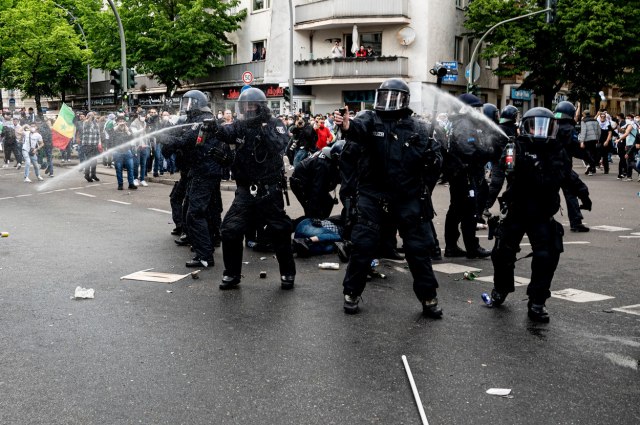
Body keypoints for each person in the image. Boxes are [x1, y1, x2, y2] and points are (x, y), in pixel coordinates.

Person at [333, 78, 444, 317]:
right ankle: (351, 292)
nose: (388, 102)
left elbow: (434, 161)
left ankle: (428, 297)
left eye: (394, 97)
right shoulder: (369, 119)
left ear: (405, 100)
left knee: (417, 248)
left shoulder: (417, 127)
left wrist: (431, 159)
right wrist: (346, 126)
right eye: (384, 96)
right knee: (363, 244)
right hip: (373, 194)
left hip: (407, 196)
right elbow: (356, 130)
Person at [485, 107, 592, 323]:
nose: (540, 131)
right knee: (502, 253)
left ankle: (537, 301)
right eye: (535, 126)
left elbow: (568, 175)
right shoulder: (516, 147)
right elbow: (504, 168)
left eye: (546, 126)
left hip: (543, 214)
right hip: (517, 210)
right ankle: (501, 288)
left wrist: (584, 194)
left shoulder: (557, 150)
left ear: (553, 128)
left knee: (547, 256)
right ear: (526, 127)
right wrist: (511, 157)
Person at [205, 87, 296, 290]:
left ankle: (288, 273)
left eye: (252, 105)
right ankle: (231, 274)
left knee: (280, 230)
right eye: (245, 105)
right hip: (246, 190)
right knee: (230, 229)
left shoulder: (274, 124)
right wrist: (214, 127)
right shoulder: (240, 125)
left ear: (261, 106)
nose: (248, 109)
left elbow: (280, 144)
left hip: (269, 190)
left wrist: (263, 131)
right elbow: (227, 132)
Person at [442, 93, 493, 259]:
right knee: (469, 211)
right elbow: (468, 150)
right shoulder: (464, 124)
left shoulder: (458, 122)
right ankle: (472, 247)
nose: (478, 112)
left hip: (458, 173)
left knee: (456, 210)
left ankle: (451, 247)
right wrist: (487, 152)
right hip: (465, 174)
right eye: (475, 108)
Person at [181, 90, 225, 268]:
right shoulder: (206, 118)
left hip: (203, 172)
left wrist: (165, 138)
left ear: (197, 103)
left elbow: (186, 140)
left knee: (195, 214)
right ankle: (211, 243)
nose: (186, 106)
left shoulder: (202, 120)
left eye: (189, 102)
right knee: (210, 210)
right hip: (209, 171)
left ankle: (204, 255)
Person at [554, 101, 590, 232]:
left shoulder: (551, 125)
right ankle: (576, 223)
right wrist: (590, 159)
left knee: (547, 195)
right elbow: (576, 149)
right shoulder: (569, 129)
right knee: (571, 193)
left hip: (549, 167)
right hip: (564, 168)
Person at [290, 141, 344, 219]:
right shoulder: (323, 165)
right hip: (301, 184)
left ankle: (319, 220)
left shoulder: (329, 157)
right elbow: (317, 190)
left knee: (328, 203)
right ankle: (310, 223)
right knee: (314, 209)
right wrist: (314, 215)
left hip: (310, 180)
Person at [111, 115, 137, 190]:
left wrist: (127, 130)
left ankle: (131, 184)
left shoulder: (127, 130)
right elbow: (110, 134)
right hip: (117, 152)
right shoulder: (114, 130)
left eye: (123, 121)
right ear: (117, 122)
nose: (122, 123)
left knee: (130, 168)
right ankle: (120, 185)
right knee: (119, 169)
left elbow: (132, 138)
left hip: (127, 151)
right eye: (120, 121)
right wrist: (117, 126)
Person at [80, 111, 102, 182]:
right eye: (90, 115)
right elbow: (87, 124)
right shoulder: (85, 122)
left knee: (94, 161)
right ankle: (86, 175)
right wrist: (90, 117)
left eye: (93, 115)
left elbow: (98, 134)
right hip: (87, 144)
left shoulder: (96, 123)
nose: (92, 116)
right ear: (88, 116)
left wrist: (99, 143)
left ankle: (93, 175)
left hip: (94, 144)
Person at [578, 111, 600, 176]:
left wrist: (582, 141)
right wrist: (598, 138)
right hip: (594, 139)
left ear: (584, 114)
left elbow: (583, 131)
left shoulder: (584, 121)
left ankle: (589, 166)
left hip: (587, 139)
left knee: (586, 154)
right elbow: (599, 131)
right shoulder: (595, 121)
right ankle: (592, 168)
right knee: (592, 153)